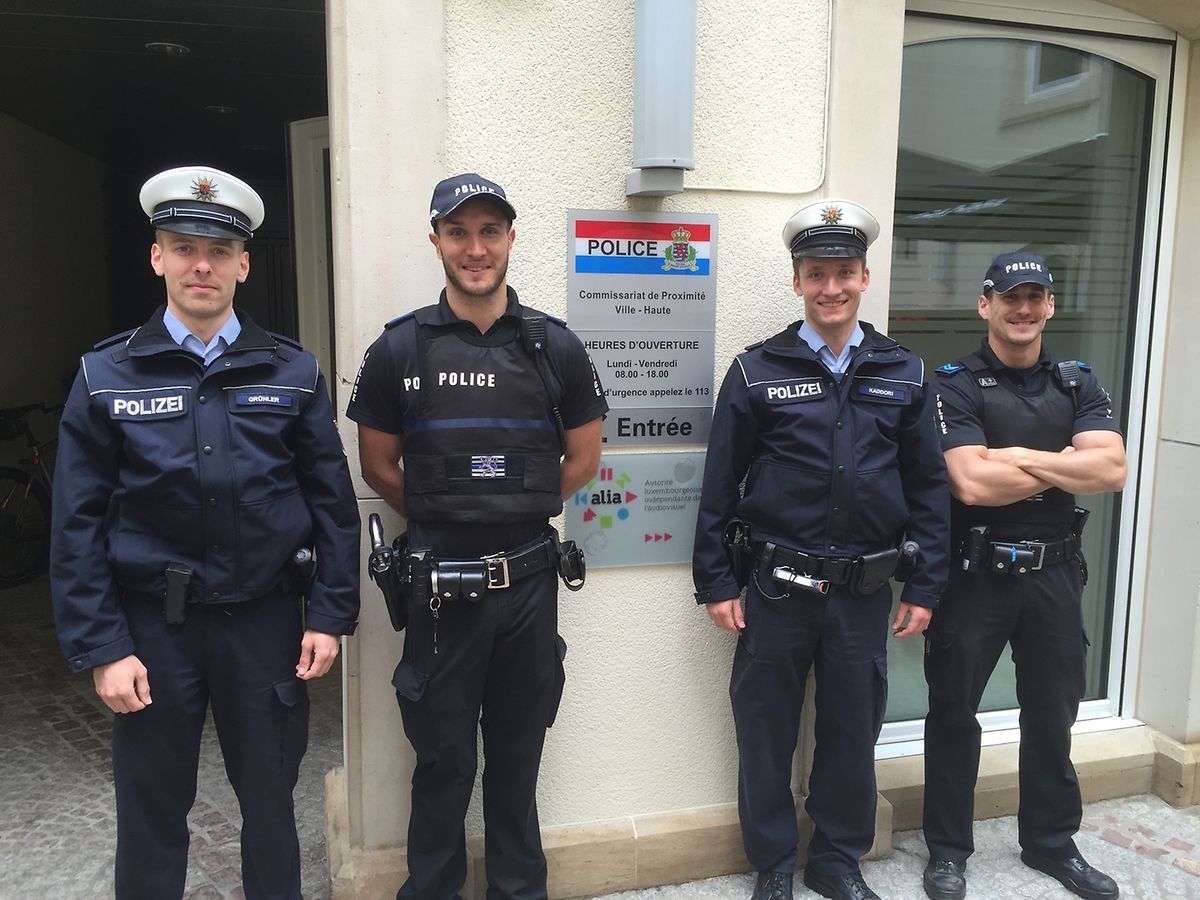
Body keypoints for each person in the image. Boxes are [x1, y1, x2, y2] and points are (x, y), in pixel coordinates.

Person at [50, 165, 361, 900]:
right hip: (153, 629)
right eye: (184, 246)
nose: (201, 265)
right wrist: (103, 647)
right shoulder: (105, 375)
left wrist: (328, 614)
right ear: (156, 256)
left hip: (265, 625)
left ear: (244, 265)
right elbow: (76, 523)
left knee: (270, 806)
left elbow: (333, 502)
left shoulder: (293, 372)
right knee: (153, 809)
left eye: (219, 251)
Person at [346, 173, 607, 900]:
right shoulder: (399, 350)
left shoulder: (555, 347)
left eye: (490, 231)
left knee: (519, 755)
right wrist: (450, 512)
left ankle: (517, 890)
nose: (475, 248)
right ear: (436, 242)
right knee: (442, 758)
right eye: (458, 232)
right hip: (439, 590)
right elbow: (378, 465)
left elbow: (584, 460)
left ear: (511, 240)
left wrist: (518, 507)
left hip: (529, 585)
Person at [692, 199, 951, 900]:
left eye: (843, 272)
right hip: (777, 589)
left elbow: (929, 487)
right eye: (815, 274)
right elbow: (719, 486)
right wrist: (716, 582)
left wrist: (925, 587)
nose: (829, 288)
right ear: (797, 281)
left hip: (865, 595)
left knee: (849, 735)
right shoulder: (756, 371)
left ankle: (837, 861)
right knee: (767, 732)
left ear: (864, 276)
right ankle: (774, 865)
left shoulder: (904, 371)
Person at [921, 252, 1127, 900]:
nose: (1024, 308)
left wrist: (1016, 455)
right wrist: (1063, 459)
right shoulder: (954, 383)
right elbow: (971, 483)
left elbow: (1112, 470)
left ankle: (1051, 844)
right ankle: (949, 852)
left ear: (1051, 307)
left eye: (1036, 297)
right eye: (1011, 296)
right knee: (954, 713)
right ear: (986, 304)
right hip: (975, 575)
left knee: (1052, 716)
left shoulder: (1076, 383)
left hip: (1055, 576)